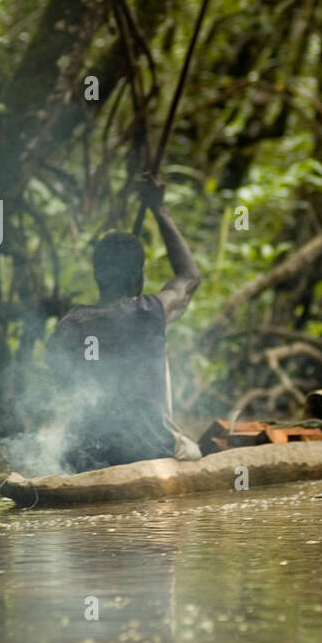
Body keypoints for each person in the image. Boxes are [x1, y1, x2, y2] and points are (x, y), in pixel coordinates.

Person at [43, 176, 202, 473]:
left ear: (96, 276)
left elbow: (58, 379)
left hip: (84, 456)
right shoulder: (151, 311)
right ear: (139, 277)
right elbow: (189, 276)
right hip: (150, 451)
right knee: (194, 451)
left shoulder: (70, 325)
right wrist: (160, 209)